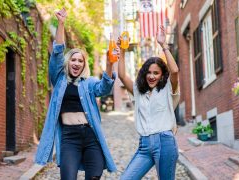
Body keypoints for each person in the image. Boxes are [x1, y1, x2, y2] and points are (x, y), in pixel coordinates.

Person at [34, 8, 117, 180]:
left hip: (90, 136)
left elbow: (104, 88)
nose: (77, 63)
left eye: (80, 60)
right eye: (73, 59)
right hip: (69, 138)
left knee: (94, 176)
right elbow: (57, 52)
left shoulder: (89, 82)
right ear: (68, 62)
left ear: (84, 65)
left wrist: (110, 63)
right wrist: (61, 23)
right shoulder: (59, 79)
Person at [118, 25, 180, 180]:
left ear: (161, 75)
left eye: (156, 73)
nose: (152, 76)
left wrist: (163, 45)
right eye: (149, 72)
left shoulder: (167, 88)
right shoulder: (139, 91)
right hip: (144, 146)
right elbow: (121, 76)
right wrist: (123, 50)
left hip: (165, 143)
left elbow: (175, 71)